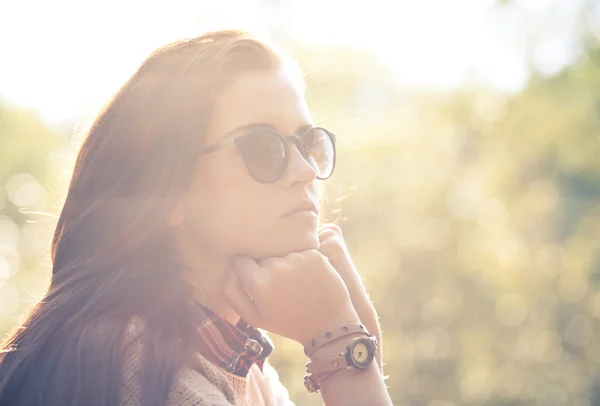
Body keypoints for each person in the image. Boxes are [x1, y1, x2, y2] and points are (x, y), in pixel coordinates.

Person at [0, 30, 392, 406]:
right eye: (262, 147)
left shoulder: (241, 369)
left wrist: (357, 339)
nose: (305, 170)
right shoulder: (145, 376)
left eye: (308, 143)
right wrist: (342, 350)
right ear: (167, 188)